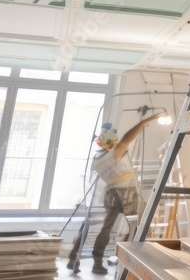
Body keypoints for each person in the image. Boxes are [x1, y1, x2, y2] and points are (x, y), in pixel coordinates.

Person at [67, 113, 160, 274]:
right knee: (136, 226)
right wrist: (145, 121)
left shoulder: (98, 158)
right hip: (126, 194)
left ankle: (79, 258)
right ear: (111, 143)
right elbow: (126, 138)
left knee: (106, 228)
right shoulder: (114, 153)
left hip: (110, 194)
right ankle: (131, 261)